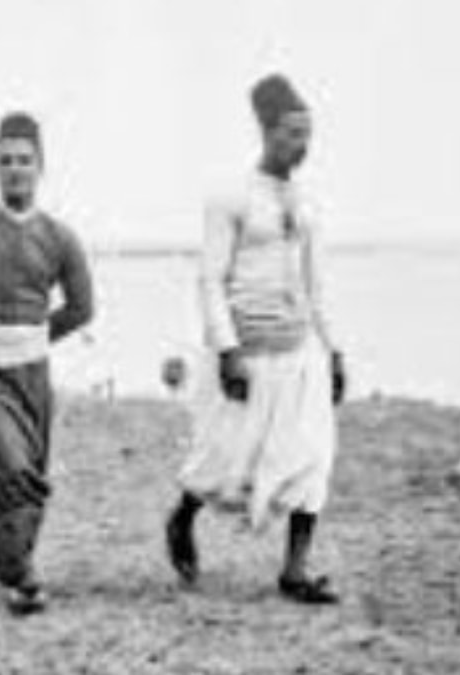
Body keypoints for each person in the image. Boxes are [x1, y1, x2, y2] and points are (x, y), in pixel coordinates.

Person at [166, 74, 347, 605]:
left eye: (308, 134)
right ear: (267, 133)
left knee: (313, 458)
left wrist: (334, 350)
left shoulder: (308, 204)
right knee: (220, 465)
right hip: (247, 351)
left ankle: (295, 571)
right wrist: (227, 351)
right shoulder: (231, 196)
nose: (302, 144)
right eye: (292, 133)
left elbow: (316, 287)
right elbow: (210, 280)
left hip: (299, 352)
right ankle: (182, 518)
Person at [0, 112, 94, 615]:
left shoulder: (60, 236)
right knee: (6, 468)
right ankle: (22, 576)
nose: (15, 169)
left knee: (29, 471)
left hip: (31, 372)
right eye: (6, 160)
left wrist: (31, 339)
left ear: (41, 167)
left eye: (25, 160)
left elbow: (82, 308)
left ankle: (7, 568)